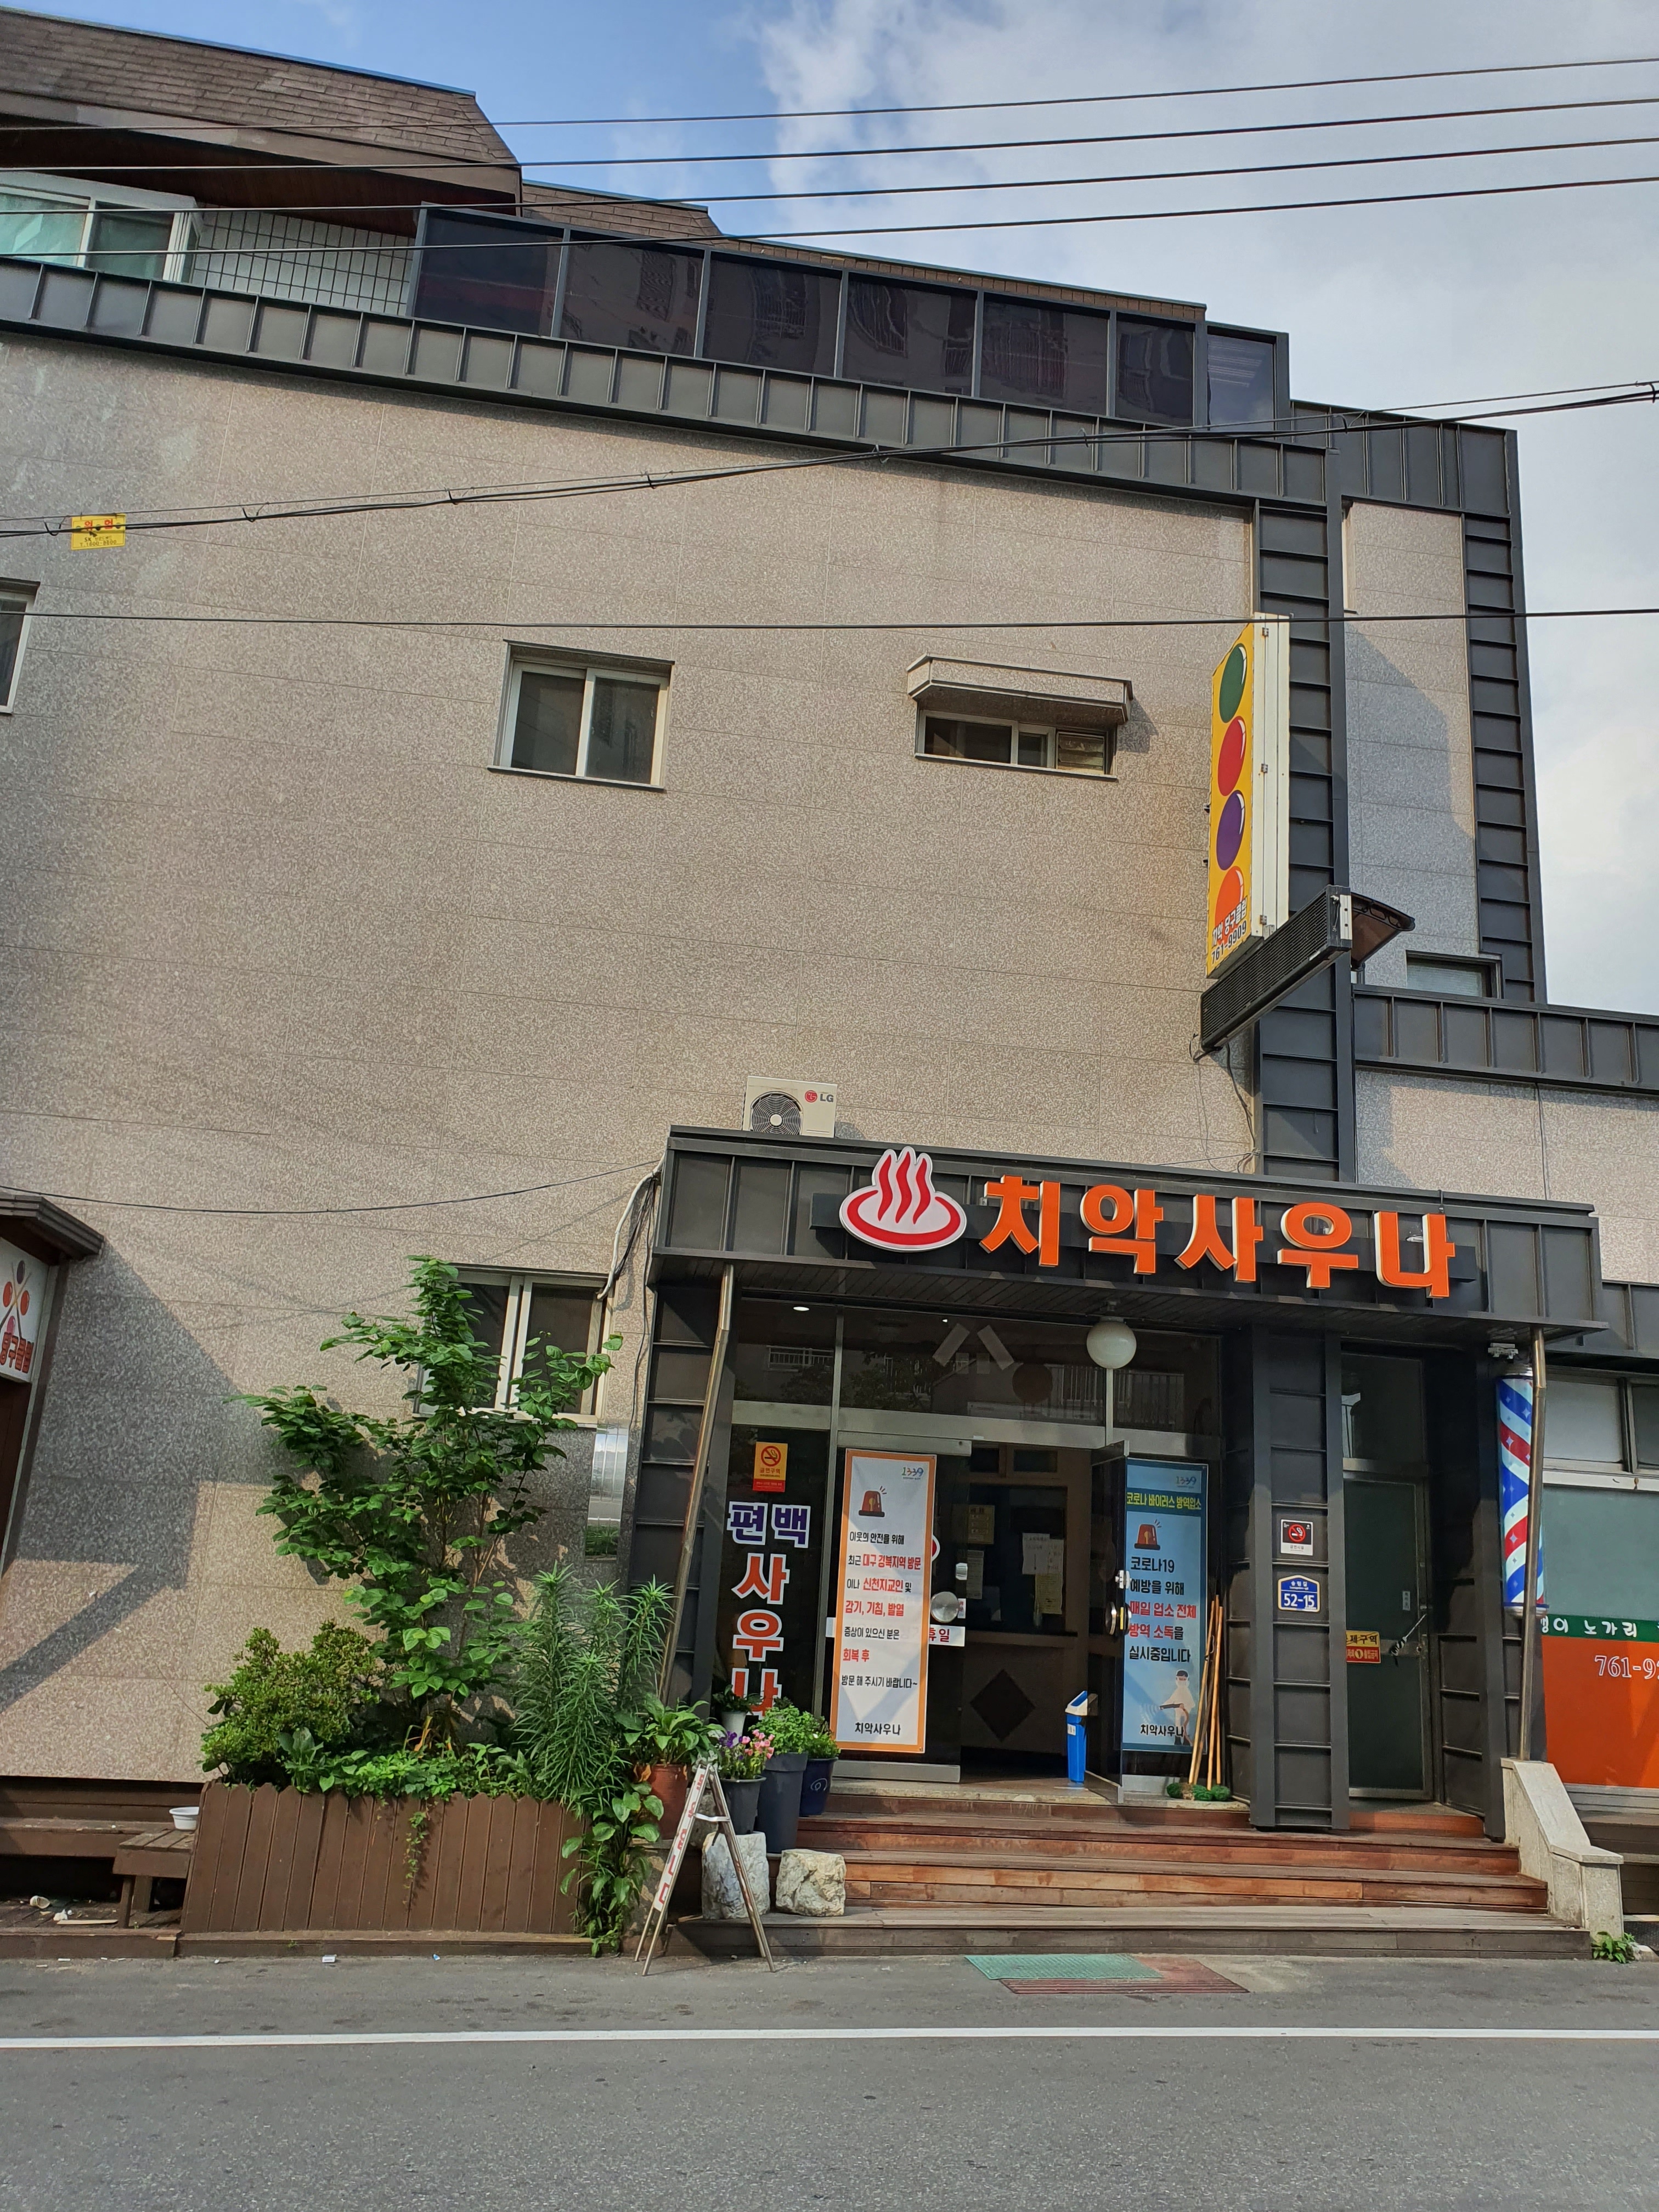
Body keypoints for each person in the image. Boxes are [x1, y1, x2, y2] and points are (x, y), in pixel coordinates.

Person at [1159, 1669, 1197, 1745]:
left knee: (1186, 1726)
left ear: (1187, 1680)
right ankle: (1178, 1740)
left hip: (1186, 1712)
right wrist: (1164, 1706)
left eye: (1184, 1679)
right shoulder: (1177, 1691)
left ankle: (1186, 1741)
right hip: (1178, 1712)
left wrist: (1187, 1706)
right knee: (1178, 1725)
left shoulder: (1187, 1691)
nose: (1182, 1681)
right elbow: (1171, 1700)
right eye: (1181, 1679)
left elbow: (1192, 1703)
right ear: (1177, 1679)